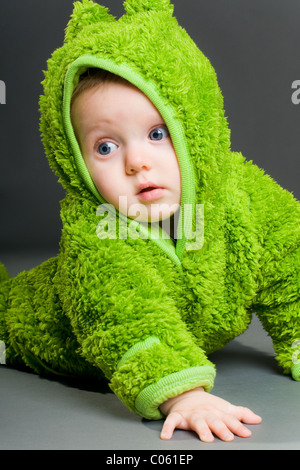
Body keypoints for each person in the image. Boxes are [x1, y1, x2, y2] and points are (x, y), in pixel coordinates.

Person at [0, 0, 299, 443]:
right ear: (75, 163)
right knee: (12, 321)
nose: (137, 162)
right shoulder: (98, 236)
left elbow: (289, 264)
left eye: (157, 134)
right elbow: (125, 320)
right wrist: (184, 396)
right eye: (105, 147)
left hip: (184, 329)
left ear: (196, 127)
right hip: (53, 327)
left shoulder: (245, 195)